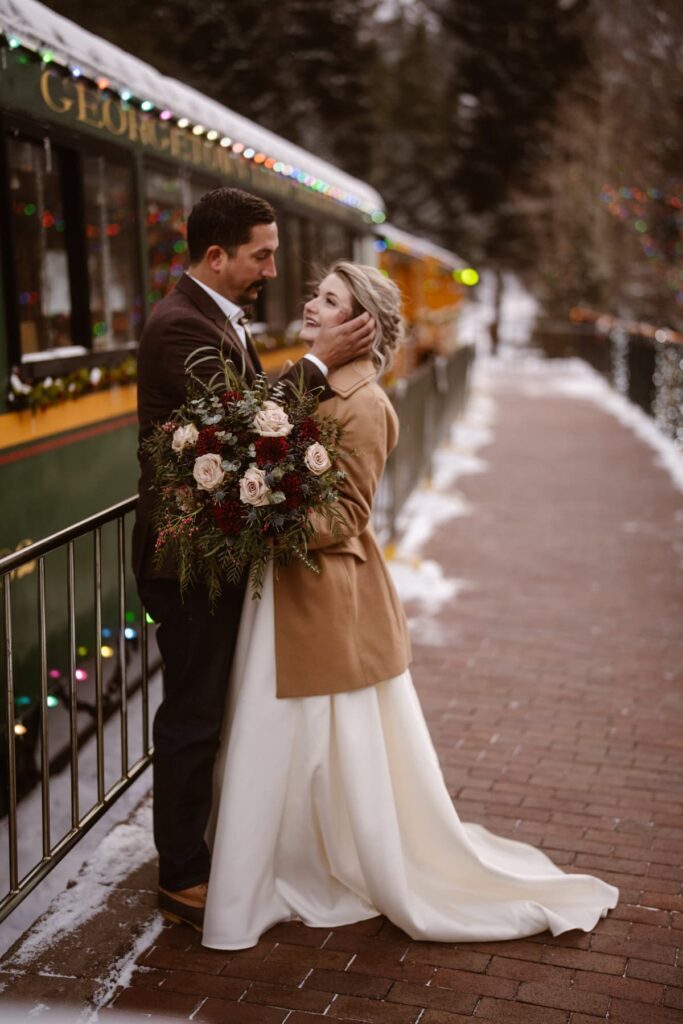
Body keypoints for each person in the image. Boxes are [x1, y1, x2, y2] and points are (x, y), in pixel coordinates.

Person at [202, 261, 619, 948]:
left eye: (327, 300)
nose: (309, 304)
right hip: (281, 587)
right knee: (281, 732)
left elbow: (348, 515)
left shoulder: (365, 404)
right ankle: (276, 855)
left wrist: (260, 522)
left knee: (307, 733)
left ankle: (298, 862)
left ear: (359, 323)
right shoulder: (314, 382)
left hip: (319, 595)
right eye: (315, 295)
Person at [132, 189, 375, 931]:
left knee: (210, 707)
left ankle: (205, 847)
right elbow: (233, 422)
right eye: (261, 254)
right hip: (186, 562)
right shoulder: (180, 327)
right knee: (193, 715)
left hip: (214, 551)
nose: (273, 267)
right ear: (216, 257)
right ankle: (180, 872)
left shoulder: (210, 316)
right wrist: (316, 362)